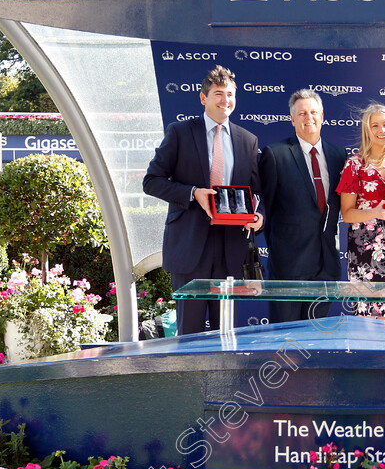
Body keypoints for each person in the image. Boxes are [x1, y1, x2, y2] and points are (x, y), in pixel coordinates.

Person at [143, 65, 263, 335]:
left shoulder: (248, 140)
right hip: (189, 246)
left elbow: (256, 192)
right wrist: (192, 193)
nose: (225, 100)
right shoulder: (180, 132)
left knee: (225, 332)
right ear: (203, 98)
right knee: (189, 332)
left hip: (231, 249)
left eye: (230, 94)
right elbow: (151, 181)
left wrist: (257, 215)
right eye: (218, 94)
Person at [259, 89, 348, 323]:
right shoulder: (275, 155)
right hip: (288, 268)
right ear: (292, 119)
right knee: (285, 338)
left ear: (322, 116)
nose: (309, 117)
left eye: (313, 112)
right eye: (302, 113)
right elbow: (265, 209)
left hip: (326, 266)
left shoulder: (339, 155)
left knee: (315, 339)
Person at [336, 103, 385, 320]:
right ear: (367, 130)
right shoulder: (354, 165)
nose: (382, 131)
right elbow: (347, 214)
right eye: (375, 126)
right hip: (363, 249)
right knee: (364, 317)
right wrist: (375, 212)